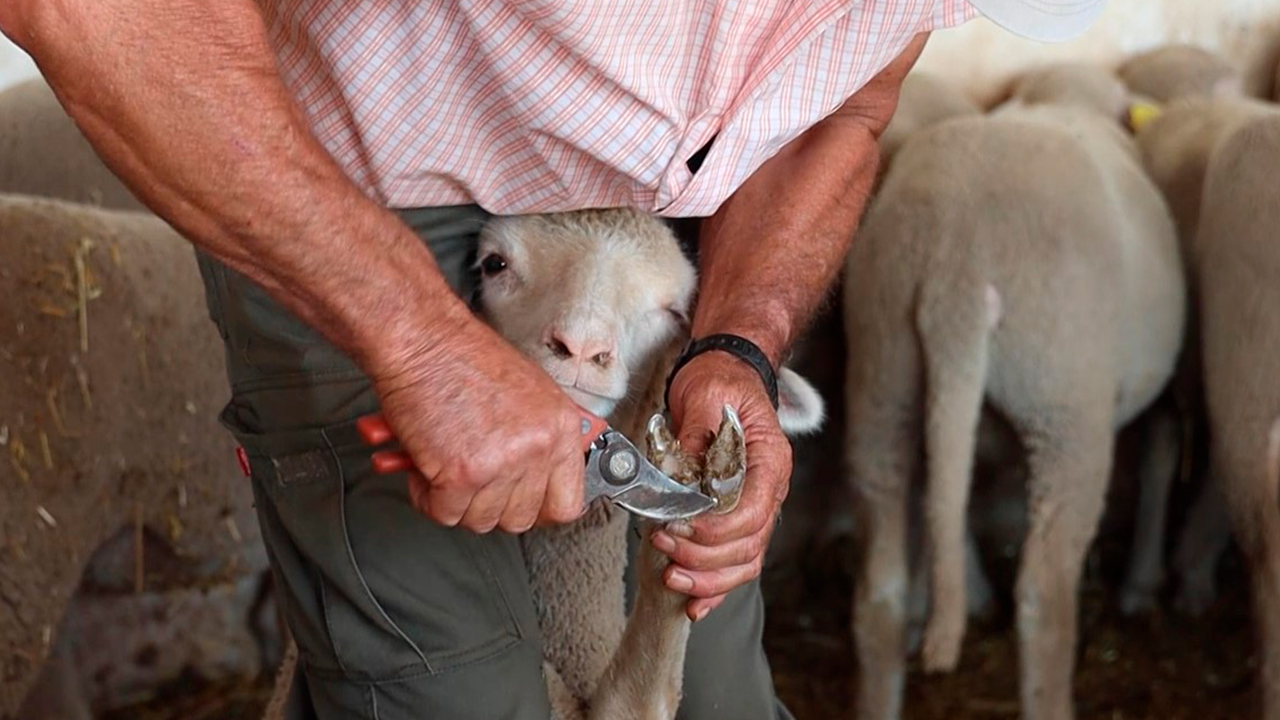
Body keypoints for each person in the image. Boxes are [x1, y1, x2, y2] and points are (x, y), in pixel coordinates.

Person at [0, 0, 1105, 717]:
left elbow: (843, 105)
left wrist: (734, 344)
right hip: (340, 172)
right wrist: (417, 342)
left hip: (636, 235)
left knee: (704, 672)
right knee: (443, 684)